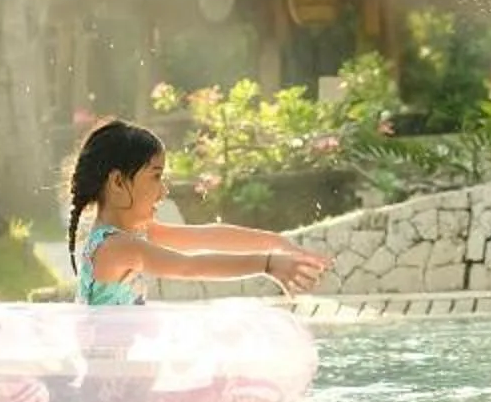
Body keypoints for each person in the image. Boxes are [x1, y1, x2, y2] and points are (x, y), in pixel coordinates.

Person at [61, 118, 331, 305]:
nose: (163, 191)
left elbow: (205, 236)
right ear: (118, 182)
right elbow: (188, 266)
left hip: (120, 367)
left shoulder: (129, 236)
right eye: (156, 177)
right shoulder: (116, 247)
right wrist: (266, 264)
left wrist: (276, 243)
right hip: (109, 372)